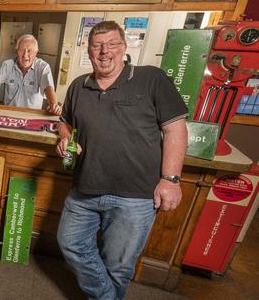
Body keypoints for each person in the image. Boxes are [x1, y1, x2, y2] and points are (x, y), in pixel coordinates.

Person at [55, 20, 188, 300]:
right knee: (70, 244)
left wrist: (171, 179)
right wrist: (65, 138)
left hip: (135, 196)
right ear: (88, 50)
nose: (105, 51)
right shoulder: (79, 86)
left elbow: (175, 128)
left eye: (112, 44)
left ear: (124, 48)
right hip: (85, 188)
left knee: (118, 267)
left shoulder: (151, 78)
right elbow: (64, 123)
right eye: (97, 45)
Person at [0, 34, 61, 115]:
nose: (25, 55)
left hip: (32, 115)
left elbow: (48, 87)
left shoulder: (43, 67)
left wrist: (53, 104)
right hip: (9, 113)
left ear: (36, 52)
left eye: (29, 51)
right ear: (16, 52)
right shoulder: (7, 65)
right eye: (22, 50)